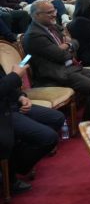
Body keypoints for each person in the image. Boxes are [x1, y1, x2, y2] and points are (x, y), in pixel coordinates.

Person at [23, 0, 90, 123]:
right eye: (49, 12)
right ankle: (89, 123)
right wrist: (69, 46)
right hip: (55, 74)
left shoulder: (52, 26)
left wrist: (67, 45)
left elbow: (75, 41)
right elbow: (61, 56)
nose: (54, 14)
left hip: (70, 68)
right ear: (36, 15)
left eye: (54, 10)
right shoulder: (33, 35)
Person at [0, 62, 64, 194]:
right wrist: (15, 76)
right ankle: (10, 173)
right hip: (3, 114)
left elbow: (4, 83)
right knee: (49, 137)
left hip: (12, 105)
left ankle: (15, 163)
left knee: (57, 118)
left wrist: (21, 97)